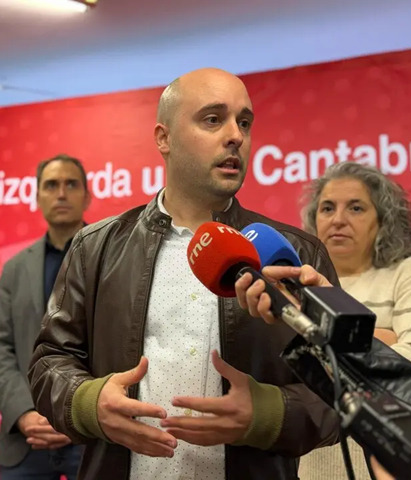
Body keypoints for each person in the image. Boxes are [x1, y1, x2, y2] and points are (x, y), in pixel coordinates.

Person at [27, 68, 341, 480]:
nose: (236, 135)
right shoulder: (94, 247)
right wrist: (89, 403)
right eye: (213, 119)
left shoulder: (299, 255)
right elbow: (50, 361)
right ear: (164, 138)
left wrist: (266, 414)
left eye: (244, 122)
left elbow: (345, 389)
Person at [296, 161, 411, 479]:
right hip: (316, 462)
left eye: (356, 208)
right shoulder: (299, 285)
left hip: (402, 460)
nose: (338, 219)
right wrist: (381, 339)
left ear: (384, 220)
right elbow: (288, 374)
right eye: (327, 208)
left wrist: (327, 354)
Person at [0, 154, 90, 479]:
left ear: (87, 196)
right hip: (25, 439)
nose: (61, 193)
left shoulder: (113, 257)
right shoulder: (14, 268)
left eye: (71, 184)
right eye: (51, 185)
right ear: (37, 196)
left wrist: (79, 415)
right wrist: (23, 413)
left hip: (93, 437)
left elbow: (124, 344)